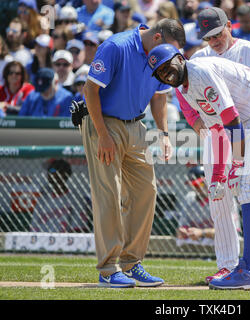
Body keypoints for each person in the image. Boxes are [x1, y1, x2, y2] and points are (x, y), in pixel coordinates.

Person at [148, 43, 250, 290]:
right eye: (159, 72)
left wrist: (236, 163)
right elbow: (217, 130)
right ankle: (246, 269)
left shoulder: (200, 72)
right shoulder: (186, 87)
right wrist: (217, 176)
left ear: (180, 59)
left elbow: (232, 120)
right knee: (246, 191)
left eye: (166, 66)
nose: (164, 73)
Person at [81, 18, 186, 288]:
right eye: (171, 50)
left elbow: (160, 97)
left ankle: (131, 262)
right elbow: (90, 90)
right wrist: (103, 135)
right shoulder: (117, 46)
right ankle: (108, 269)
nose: (172, 60)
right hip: (102, 122)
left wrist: (163, 134)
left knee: (146, 191)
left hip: (137, 124)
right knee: (109, 193)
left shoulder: (158, 54)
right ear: (159, 38)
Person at [176, 165, 241, 247]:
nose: (198, 188)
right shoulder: (190, 198)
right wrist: (183, 231)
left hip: (223, 241)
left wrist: (202, 233)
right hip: (198, 240)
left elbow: (229, 231)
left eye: (201, 184)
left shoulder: (223, 198)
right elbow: (182, 226)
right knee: (180, 241)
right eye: (194, 185)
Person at [30, 159, 92, 233]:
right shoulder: (43, 198)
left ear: (64, 174)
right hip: (42, 240)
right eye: (49, 170)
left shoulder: (76, 199)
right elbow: (33, 227)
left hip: (65, 241)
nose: (49, 173)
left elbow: (78, 229)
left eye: (52, 170)